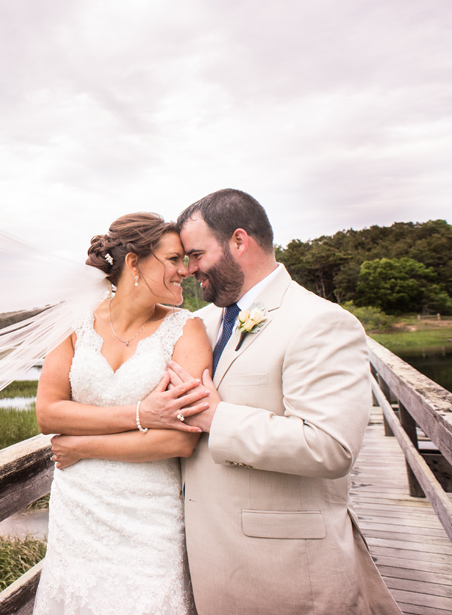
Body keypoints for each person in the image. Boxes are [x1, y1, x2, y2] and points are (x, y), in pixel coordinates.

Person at [137, 189, 403, 613]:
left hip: (287, 571)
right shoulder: (199, 324)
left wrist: (217, 418)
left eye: (196, 254)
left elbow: (331, 448)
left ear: (239, 241)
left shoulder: (321, 321)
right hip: (203, 562)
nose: (189, 270)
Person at [31, 212, 213, 615]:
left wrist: (84, 446)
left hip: (150, 513)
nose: (184, 270)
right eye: (173, 259)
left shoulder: (187, 330)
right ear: (134, 263)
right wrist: (143, 413)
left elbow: (181, 439)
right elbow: (48, 414)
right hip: (78, 508)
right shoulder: (72, 325)